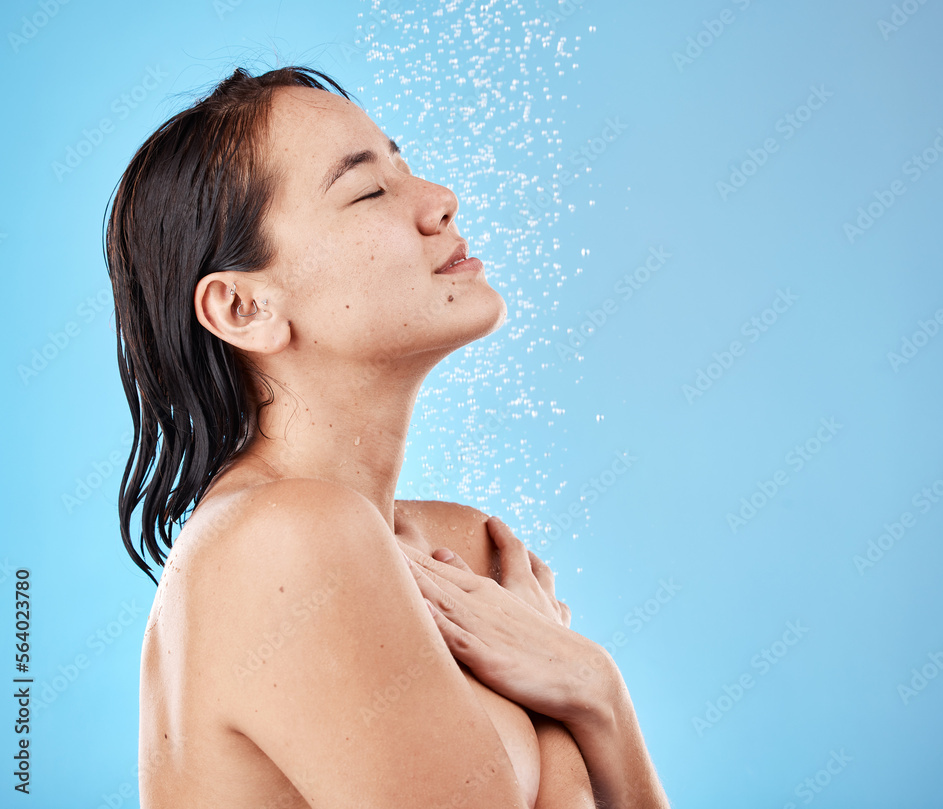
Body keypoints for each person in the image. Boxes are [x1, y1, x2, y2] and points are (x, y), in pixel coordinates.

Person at [106, 65, 670, 809]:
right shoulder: (277, 542)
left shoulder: (459, 547)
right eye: (368, 189)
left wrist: (600, 695)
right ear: (244, 306)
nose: (440, 201)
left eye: (404, 166)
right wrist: (575, 703)